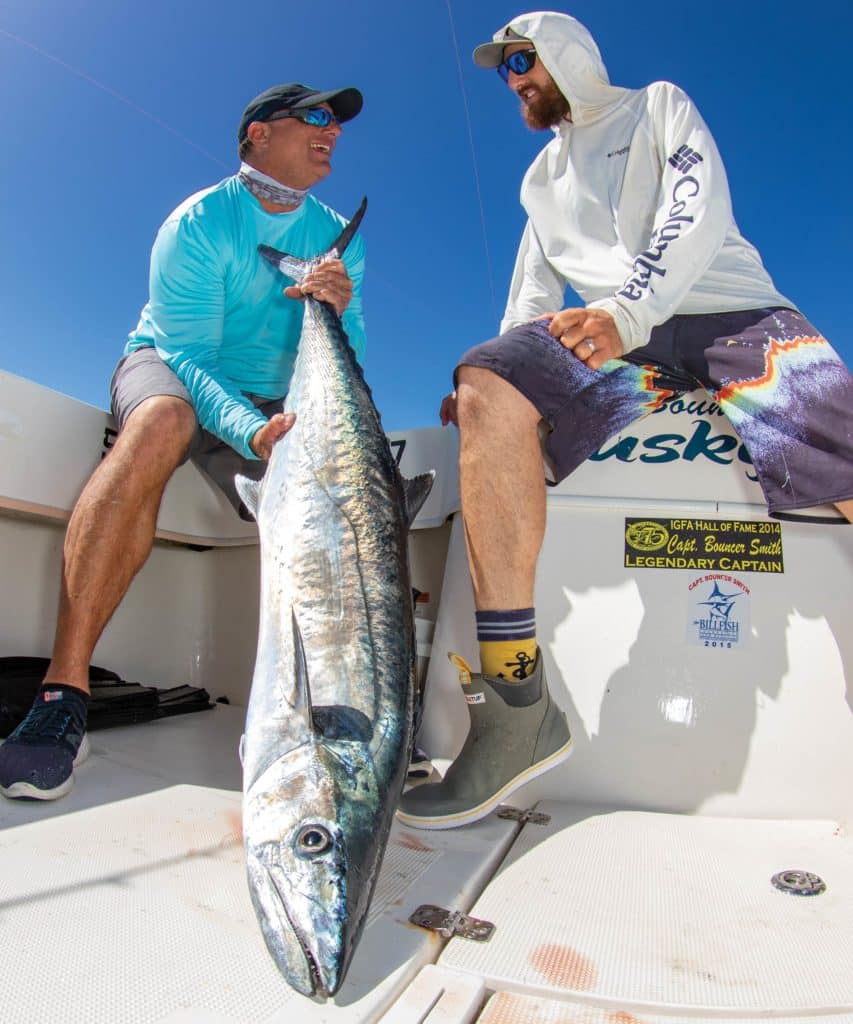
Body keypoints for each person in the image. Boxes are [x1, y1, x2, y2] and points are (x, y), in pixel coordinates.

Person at [397, 10, 853, 831]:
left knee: (843, 439)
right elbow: (531, 303)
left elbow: (696, 207)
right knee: (483, 382)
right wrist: (498, 390)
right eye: (504, 69)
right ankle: (516, 709)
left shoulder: (657, 107)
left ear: (569, 55)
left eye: (524, 60)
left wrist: (631, 311)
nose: (515, 81)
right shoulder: (538, 181)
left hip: (732, 314)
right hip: (616, 340)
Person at [0, 81, 366, 801]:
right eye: (316, 117)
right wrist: (254, 432)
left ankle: (347, 712)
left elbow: (346, 351)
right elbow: (190, 359)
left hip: (279, 395)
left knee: (359, 484)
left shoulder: (333, 232)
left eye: (338, 122)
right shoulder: (200, 221)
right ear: (258, 134)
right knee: (163, 420)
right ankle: (62, 694)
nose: (333, 132)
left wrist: (336, 307)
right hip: (174, 365)